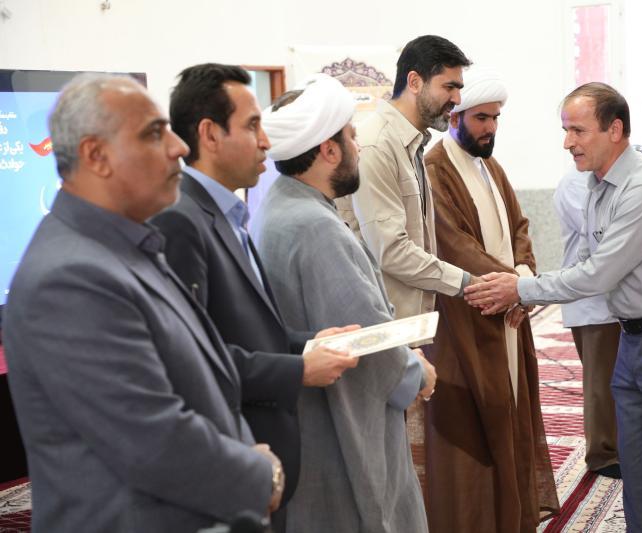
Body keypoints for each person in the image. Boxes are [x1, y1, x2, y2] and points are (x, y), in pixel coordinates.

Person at [3, 74, 280, 532]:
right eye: (154, 133)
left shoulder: (130, 244)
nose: (179, 147)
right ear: (96, 156)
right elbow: (152, 438)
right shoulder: (70, 279)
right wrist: (259, 474)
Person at [465, 82, 642, 532]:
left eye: (578, 131)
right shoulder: (597, 186)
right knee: (638, 476)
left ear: (615, 130)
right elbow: (585, 263)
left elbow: (600, 272)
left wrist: (522, 290)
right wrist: (528, 296)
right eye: (565, 131)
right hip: (633, 339)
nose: (568, 142)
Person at [150, 64, 358, 522]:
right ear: (210, 134)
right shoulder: (181, 220)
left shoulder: (225, 213)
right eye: (251, 126)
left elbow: (247, 328)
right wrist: (298, 369)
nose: (265, 141)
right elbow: (192, 358)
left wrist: (308, 343)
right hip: (232, 455)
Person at [253, 75, 433, 533]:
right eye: (351, 137)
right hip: (333, 425)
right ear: (329, 151)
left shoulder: (281, 205)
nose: (358, 148)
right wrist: (416, 372)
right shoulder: (314, 226)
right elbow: (363, 339)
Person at [422, 70, 558, 532]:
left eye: (496, 118)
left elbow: (519, 227)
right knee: (474, 426)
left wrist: (523, 280)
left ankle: (511, 517)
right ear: (454, 117)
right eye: (481, 118)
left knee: (509, 412)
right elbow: (453, 245)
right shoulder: (435, 170)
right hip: (468, 318)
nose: (491, 128)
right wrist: (513, 288)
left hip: (508, 312)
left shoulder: (490, 166)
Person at [336, 34, 476, 319]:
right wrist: (468, 284)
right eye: (449, 87)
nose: (457, 99)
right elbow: (390, 250)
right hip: (384, 321)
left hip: (409, 320)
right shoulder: (376, 144)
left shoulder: (410, 143)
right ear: (414, 82)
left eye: (459, 88)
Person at [553, 167, 621, 479]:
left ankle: (621, 446)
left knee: (618, 379)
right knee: (601, 382)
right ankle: (603, 455)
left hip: (616, 296)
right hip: (590, 301)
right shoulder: (574, 184)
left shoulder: (616, 181)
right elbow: (604, 232)